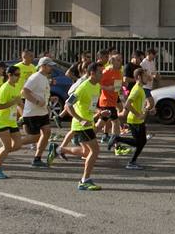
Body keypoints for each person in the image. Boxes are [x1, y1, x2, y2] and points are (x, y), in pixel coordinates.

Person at [57, 58, 103, 190]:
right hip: (82, 124)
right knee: (95, 151)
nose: (102, 74)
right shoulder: (83, 87)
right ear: (92, 73)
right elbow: (68, 104)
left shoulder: (97, 86)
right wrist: (80, 119)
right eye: (100, 72)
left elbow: (91, 105)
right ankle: (85, 180)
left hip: (88, 123)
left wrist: (100, 111)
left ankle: (60, 149)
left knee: (86, 152)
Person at [0, 66, 25, 178]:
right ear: (10, 75)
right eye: (17, 75)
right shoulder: (5, 88)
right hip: (2, 121)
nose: (19, 77)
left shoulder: (17, 86)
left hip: (12, 121)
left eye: (19, 75)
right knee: (7, 147)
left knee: (17, 145)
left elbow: (19, 103)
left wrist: (24, 114)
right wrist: (14, 101)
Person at [113, 67, 152, 169]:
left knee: (141, 142)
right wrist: (138, 114)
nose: (147, 78)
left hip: (138, 120)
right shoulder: (137, 89)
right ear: (139, 77)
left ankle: (132, 162)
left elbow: (139, 104)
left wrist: (147, 108)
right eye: (144, 76)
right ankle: (118, 139)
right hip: (135, 120)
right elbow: (127, 105)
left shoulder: (140, 88)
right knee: (139, 142)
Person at [20, 57, 56, 167]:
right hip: (32, 113)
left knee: (47, 132)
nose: (51, 68)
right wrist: (36, 102)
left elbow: (41, 94)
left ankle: (37, 158)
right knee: (34, 138)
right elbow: (24, 92)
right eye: (49, 66)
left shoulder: (44, 78)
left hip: (42, 112)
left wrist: (49, 101)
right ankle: (11, 144)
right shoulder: (35, 77)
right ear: (43, 66)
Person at [97, 51, 124, 143]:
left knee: (100, 124)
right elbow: (97, 83)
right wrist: (107, 88)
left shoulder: (119, 72)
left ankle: (86, 137)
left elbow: (116, 88)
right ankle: (116, 144)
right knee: (115, 122)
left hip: (112, 101)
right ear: (112, 61)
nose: (120, 61)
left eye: (121, 60)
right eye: (118, 60)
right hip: (106, 101)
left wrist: (122, 86)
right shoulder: (106, 71)